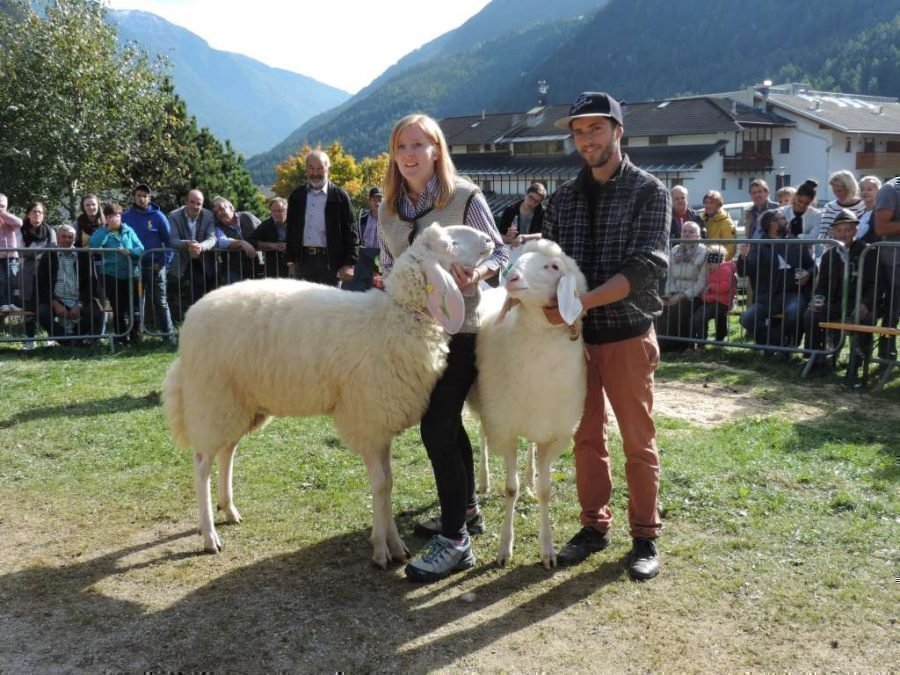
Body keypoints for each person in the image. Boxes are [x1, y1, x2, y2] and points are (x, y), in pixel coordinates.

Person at [542, 91, 668, 581]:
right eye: (578, 131)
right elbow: (551, 262)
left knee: (638, 438)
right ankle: (594, 526)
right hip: (573, 341)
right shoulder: (562, 198)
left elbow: (644, 268)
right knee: (585, 435)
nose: (586, 139)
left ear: (618, 131)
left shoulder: (648, 191)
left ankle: (645, 535)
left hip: (626, 335)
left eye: (595, 128)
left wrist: (579, 303)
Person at [378, 113, 508, 583]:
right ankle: (467, 509)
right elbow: (389, 263)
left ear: (437, 150)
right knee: (446, 425)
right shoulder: (387, 210)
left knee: (436, 425)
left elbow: (500, 252)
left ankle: (456, 542)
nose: (409, 155)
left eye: (418, 145)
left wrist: (477, 273)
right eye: (401, 147)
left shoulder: (465, 198)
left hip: (461, 332)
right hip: (413, 336)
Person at [802, 210, 876, 375]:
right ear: (833, 232)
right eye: (839, 230)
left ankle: (857, 362)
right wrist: (817, 299)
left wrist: (866, 303)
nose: (843, 234)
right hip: (835, 303)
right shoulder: (829, 255)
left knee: (864, 319)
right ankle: (815, 358)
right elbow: (822, 285)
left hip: (857, 302)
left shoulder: (866, 252)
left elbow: (874, 284)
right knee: (811, 314)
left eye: (847, 230)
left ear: (855, 231)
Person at [737, 209, 814, 348]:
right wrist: (743, 257)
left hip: (793, 293)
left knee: (793, 313)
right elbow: (745, 271)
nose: (786, 221)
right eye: (782, 218)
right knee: (747, 319)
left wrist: (807, 274)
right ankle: (779, 341)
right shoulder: (759, 245)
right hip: (768, 296)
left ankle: (780, 344)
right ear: (772, 224)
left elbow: (811, 266)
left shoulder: (795, 242)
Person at [285, 150, 357, 286]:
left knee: (329, 305)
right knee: (303, 304)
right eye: (311, 168)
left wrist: (349, 263)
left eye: (320, 168)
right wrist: (290, 260)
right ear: (306, 169)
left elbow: (351, 233)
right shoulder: (297, 196)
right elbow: (290, 229)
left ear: (327, 168)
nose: (315, 173)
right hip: (303, 262)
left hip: (331, 263)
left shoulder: (340, 197)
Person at [122, 183, 175, 341]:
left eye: (145, 196)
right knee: (134, 302)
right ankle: (135, 337)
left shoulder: (159, 217)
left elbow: (170, 242)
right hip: (133, 266)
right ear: (134, 197)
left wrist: (163, 263)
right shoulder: (125, 217)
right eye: (139, 195)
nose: (142, 198)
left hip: (155, 267)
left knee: (160, 302)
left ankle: (168, 336)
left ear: (149, 198)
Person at [35, 224, 104, 343]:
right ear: (57, 237)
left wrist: (80, 303)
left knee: (96, 312)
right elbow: (42, 283)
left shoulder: (84, 255)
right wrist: (55, 302)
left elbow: (92, 283)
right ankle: (64, 340)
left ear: (75, 239)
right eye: (63, 236)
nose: (66, 240)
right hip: (56, 299)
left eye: (70, 237)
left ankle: (77, 338)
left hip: (78, 299)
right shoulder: (48, 256)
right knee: (42, 312)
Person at [89, 202, 144, 346]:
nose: (115, 219)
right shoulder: (101, 232)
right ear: (106, 218)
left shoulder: (128, 230)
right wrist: (107, 230)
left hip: (131, 275)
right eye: (112, 216)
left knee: (134, 308)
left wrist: (129, 252)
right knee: (118, 308)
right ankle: (121, 338)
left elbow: (141, 249)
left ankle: (135, 337)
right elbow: (93, 246)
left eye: (118, 215)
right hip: (112, 275)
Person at [658, 221, 707, 352]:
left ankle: (681, 345)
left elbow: (701, 283)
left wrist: (682, 295)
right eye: (684, 231)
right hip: (675, 292)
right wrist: (669, 294)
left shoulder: (704, 252)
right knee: (661, 306)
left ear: (698, 235)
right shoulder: (674, 250)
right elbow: (670, 277)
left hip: (694, 297)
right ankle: (662, 344)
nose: (687, 234)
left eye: (691, 232)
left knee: (680, 308)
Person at [168, 189, 218, 315]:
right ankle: (177, 322)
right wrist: (187, 243)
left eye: (199, 203)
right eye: (192, 202)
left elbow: (212, 238)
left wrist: (201, 246)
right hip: (181, 259)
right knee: (176, 293)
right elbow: (172, 239)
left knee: (200, 293)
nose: (195, 206)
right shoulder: (174, 216)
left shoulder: (209, 215)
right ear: (186, 202)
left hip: (202, 260)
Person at [19, 201, 57, 350]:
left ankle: (50, 337)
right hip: (27, 273)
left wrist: (35, 250)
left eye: (40, 212)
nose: (37, 214)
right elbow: (20, 250)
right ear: (28, 214)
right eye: (34, 211)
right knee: (28, 307)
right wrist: (35, 250)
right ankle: (29, 338)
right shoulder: (21, 230)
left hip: (45, 273)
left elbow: (52, 250)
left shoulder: (49, 231)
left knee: (46, 304)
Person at [873, 176, 900, 360]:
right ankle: (886, 355)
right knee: (894, 311)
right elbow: (881, 227)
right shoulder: (891, 189)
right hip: (896, 262)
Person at [691, 244, 737, 342]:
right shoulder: (713, 271)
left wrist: (711, 287)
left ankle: (702, 341)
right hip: (712, 300)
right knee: (696, 316)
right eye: (708, 263)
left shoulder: (725, 270)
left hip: (722, 302)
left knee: (701, 317)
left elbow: (726, 287)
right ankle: (701, 340)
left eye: (711, 263)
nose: (709, 266)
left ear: (718, 262)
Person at [212, 196, 261, 285]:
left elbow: (263, 231)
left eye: (221, 209)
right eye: (216, 212)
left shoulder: (247, 216)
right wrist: (241, 243)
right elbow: (221, 241)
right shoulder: (217, 226)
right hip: (234, 270)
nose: (219, 213)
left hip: (256, 267)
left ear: (231, 208)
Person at [343, 188, 381, 291]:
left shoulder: (389, 219)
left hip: (382, 259)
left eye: (380, 199)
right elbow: (355, 240)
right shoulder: (362, 218)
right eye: (374, 199)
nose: (377, 203)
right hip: (364, 259)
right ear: (369, 201)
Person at [250, 197, 291, 279]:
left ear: (286, 210)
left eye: (279, 210)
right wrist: (270, 245)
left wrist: (290, 245)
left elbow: (305, 239)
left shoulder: (295, 223)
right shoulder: (266, 225)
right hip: (273, 270)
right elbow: (250, 240)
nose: (276, 214)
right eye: (273, 211)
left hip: (294, 267)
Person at [819, 170, 866, 238]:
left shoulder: (864, 206)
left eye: (839, 191)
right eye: (834, 191)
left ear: (850, 188)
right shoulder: (830, 207)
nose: (837, 194)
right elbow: (823, 235)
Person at [0, 193, 23, 312]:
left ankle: (12, 303)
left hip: (11, 256)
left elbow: (19, 223)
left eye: (2, 206)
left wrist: (3, 214)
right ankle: (3, 303)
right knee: (1, 281)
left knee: (13, 280)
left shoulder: (7, 218)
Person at [700, 190, 737, 259]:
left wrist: (718, 262)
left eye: (711, 203)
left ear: (718, 204)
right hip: (704, 263)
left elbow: (730, 249)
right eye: (706, 202)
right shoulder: (701, 220)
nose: (708, 205)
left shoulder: (727, 223)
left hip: (719, 264)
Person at [855, 175, 882, 244]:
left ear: (878, 191)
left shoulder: (881, 213)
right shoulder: (859, 214)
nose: (865, 192)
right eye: (862, 189)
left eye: (869, 189)